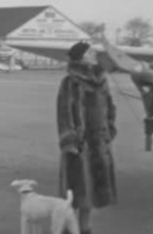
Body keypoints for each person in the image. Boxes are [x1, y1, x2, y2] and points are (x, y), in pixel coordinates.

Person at [56, 41, 118, 234]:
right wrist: (70, 140)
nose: (94, 55)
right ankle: (68, 229)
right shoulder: (70, 82)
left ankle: (85, 228)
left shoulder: (101, 80)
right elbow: (64, 112)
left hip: (99, 144)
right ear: (82, 56)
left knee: (92, 195)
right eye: (90, 52)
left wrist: (109, 130)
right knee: (75, 193)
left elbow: (110, 107)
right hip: (79, 146)